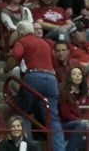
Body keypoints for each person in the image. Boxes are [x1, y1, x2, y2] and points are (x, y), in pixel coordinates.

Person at [7, 20, 64, 151]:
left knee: (23, 112)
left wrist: (6, 69)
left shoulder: (22, 41)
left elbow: (15, 56)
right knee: (53, 118)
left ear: (20, 32)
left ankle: (27, 147)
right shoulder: (45, 43)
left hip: (34, 76)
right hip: (51, 79)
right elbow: (55, 62)